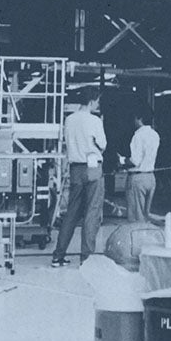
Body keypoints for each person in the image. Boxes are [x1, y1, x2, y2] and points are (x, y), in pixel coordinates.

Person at [52, 87, 107, 267]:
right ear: (92, 101)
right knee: (92, 212)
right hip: (92, 167)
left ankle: (58, 256)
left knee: (71, 213)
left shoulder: (69, 119)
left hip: (75, 169)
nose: (98, 104)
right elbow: (103, 144)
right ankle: (87, 259)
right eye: (97, 101)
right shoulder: (94, 120)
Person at [125, 107, 160, 223]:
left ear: (139, 118)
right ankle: (145, 237)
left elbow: (135, 160)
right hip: (150, 177)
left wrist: (123, 161)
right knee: (146, 214)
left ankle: (139, 240)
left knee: (136, 215)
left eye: (134, 118)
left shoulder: (138, 136)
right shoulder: (155, 135)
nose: (133, 121)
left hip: (138, 178)